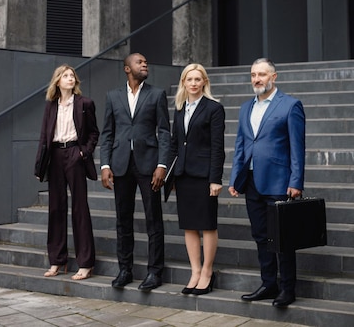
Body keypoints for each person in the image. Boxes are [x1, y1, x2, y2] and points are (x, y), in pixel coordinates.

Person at [228, 58, 305, 308]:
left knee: (282, 238)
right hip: (251, 182)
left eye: (262, 74)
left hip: (280, 182)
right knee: (261, 236)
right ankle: (268, 283)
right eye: (253, 75)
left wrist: (296, 181)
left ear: (274, 77)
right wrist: (235, 178)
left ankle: (287, 288)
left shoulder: (290, 105)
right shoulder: (245, 108)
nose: (256, 79)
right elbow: (241, 145)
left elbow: (297, 147)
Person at [100, 53, 171, 291]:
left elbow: (164, 132)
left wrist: (162, 165)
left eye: (145, 61)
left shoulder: (157, 94)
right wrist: (105, 165)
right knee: (123, 220)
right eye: (139, 62)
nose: (144, 64)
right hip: (120, 165)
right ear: (127, 69)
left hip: (149, 165)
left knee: (154, 220)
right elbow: (107, 133)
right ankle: (125, 270)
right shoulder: (112, 96)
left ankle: (154, 272)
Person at [34, 64, 99, 280]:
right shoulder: (51, 106)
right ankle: (57, 261)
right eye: (65, 76)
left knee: (80, 208)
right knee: (56, 208)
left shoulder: (84, 104)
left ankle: (86, 263)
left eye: (72, 76)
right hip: (55, 156)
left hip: (74, 153)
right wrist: (39, 166)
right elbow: (44, 137)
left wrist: (83, 153)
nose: (70, 79)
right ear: (58, 81)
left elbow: (93, 133)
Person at [169, 63, 225, 295]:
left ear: (204, 82)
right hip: (183, 175)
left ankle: (207, 272)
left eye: (197, 79)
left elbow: (217, 147)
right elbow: (175, 143)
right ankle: (195, 270)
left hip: (204, 175)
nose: (193, 83)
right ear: (183, 82)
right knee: (189, 226)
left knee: (207, 225)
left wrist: (215, 179)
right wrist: (171, 175)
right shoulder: (180, 108)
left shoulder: (214, 108)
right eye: (189, 79)